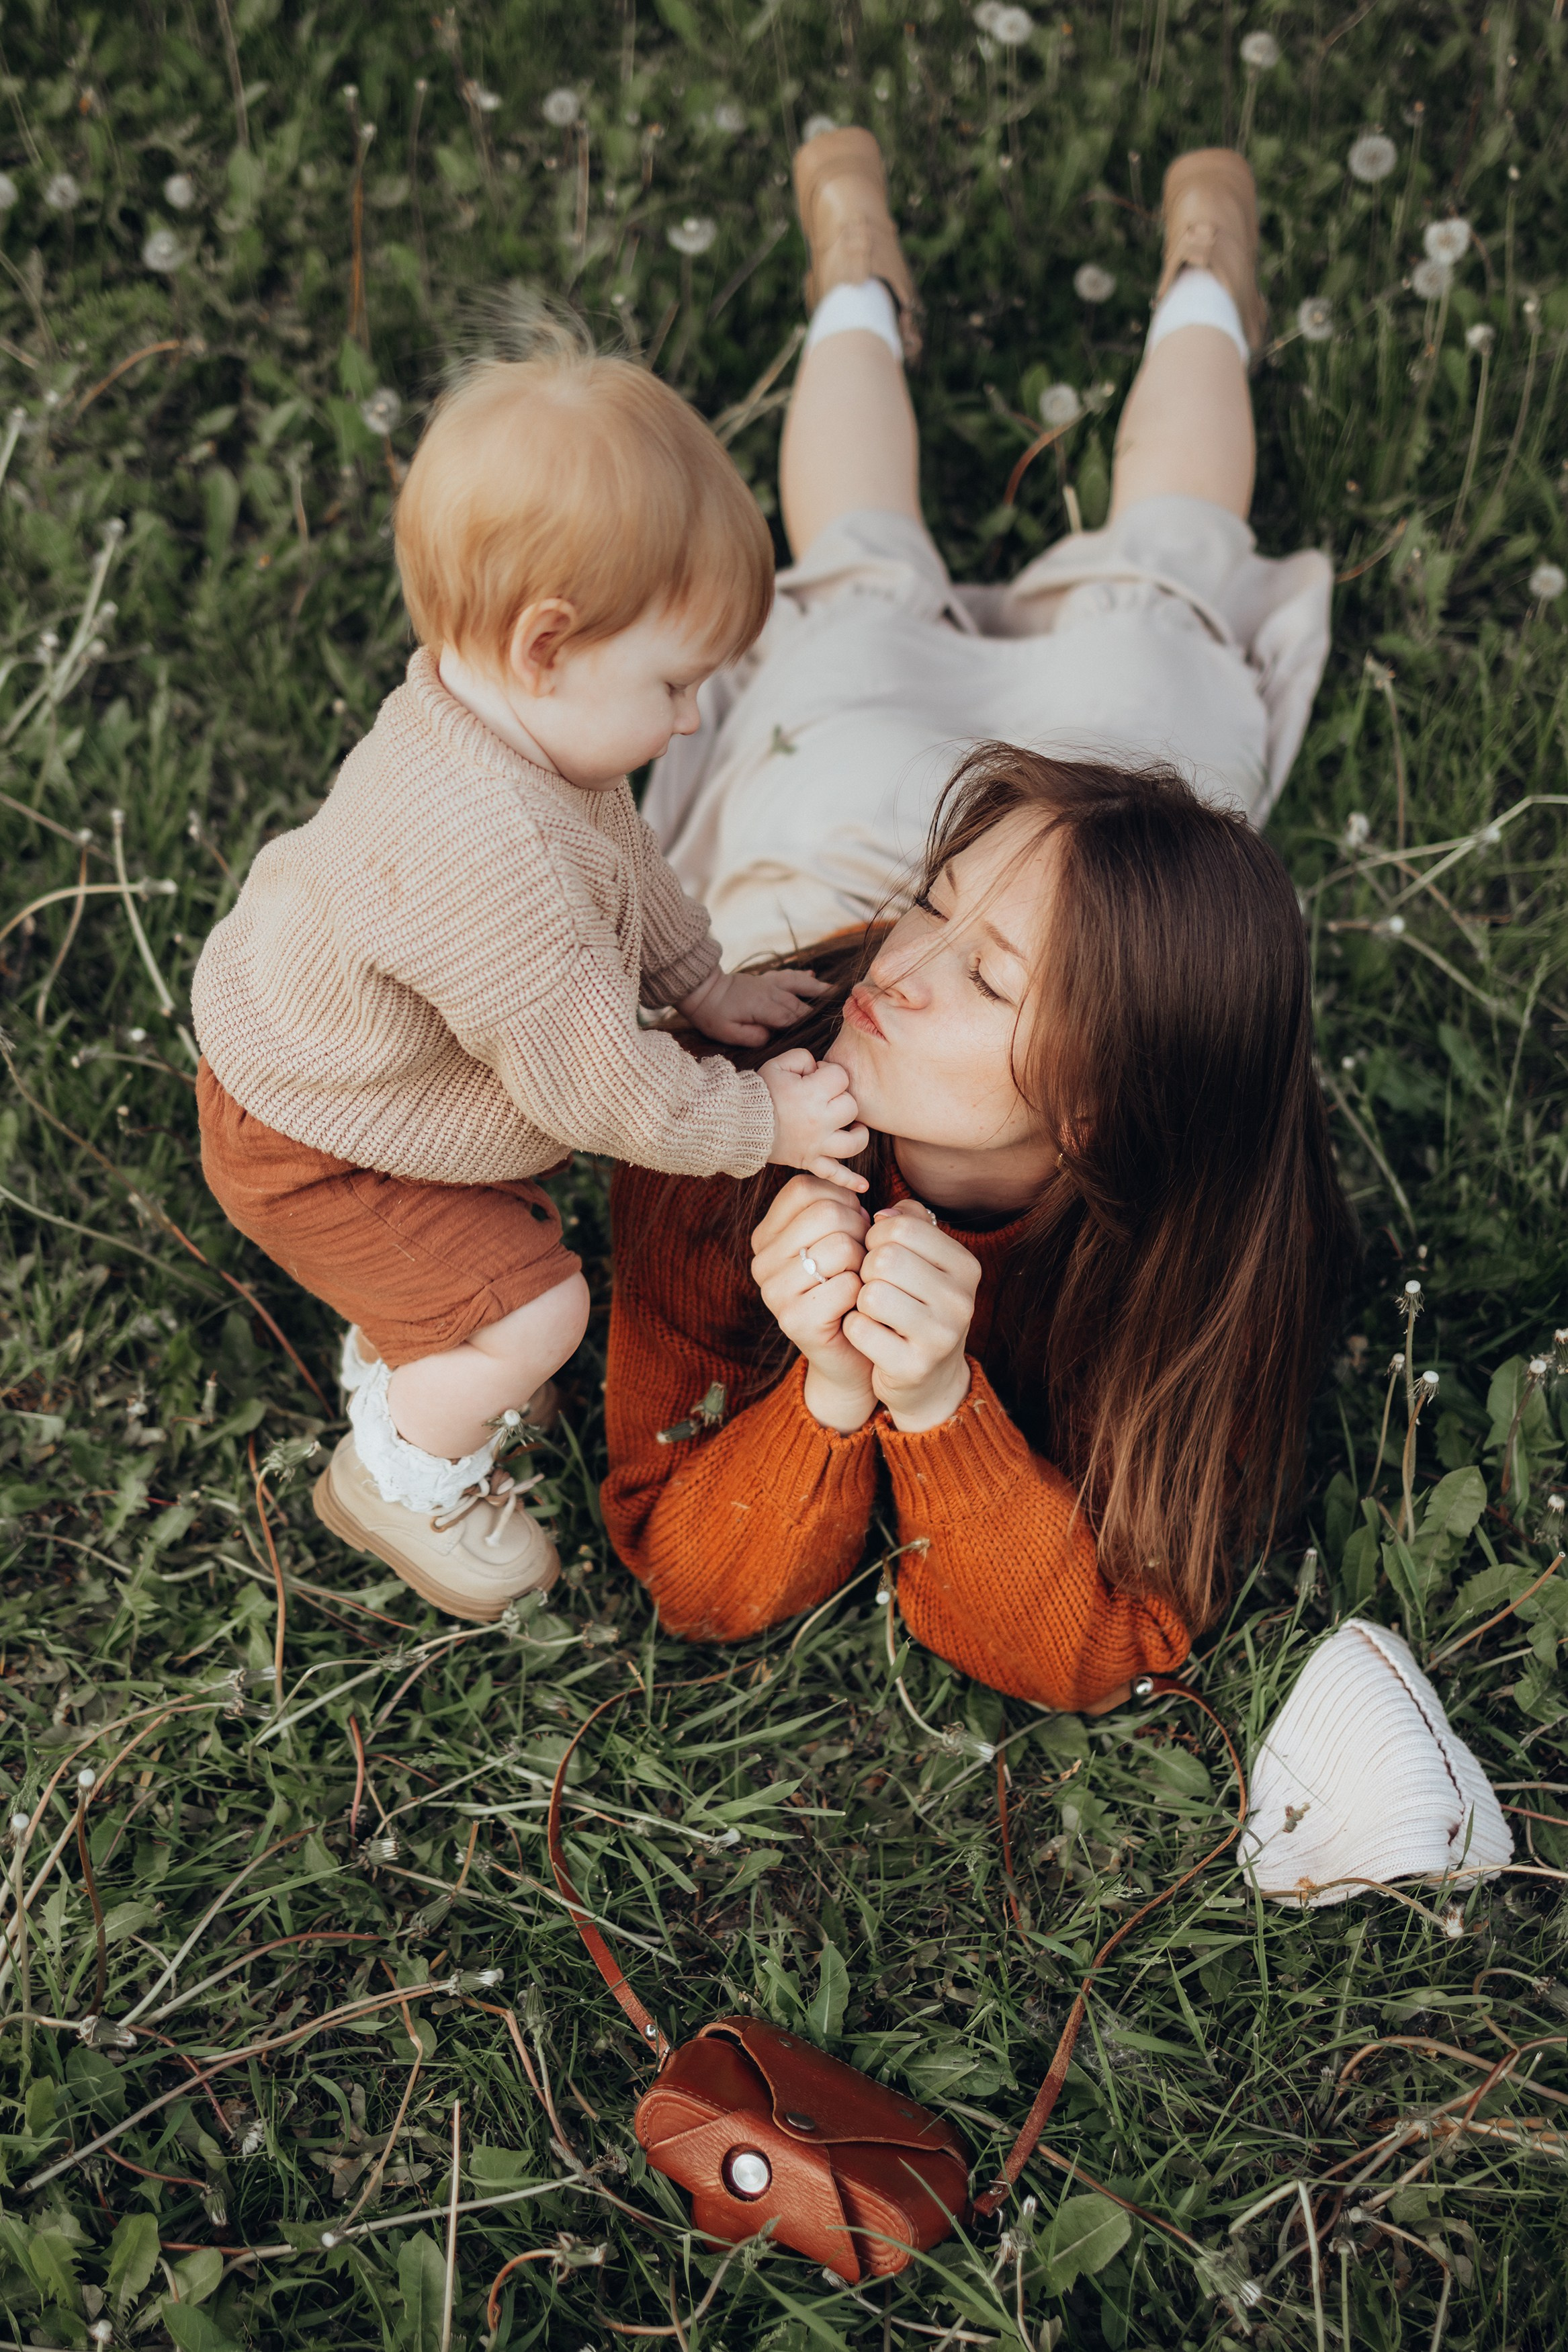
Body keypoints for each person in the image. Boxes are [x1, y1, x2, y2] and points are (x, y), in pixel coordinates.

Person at [599, 138, 1354, 1711]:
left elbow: (1107, 1648)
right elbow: (681, 1557)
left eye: (985, 981)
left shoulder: (1200, 1253)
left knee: (983, 581)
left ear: (1099, 1105)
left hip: (1053, 881)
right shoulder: (718, 1109)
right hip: (858, 846)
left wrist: (924, 1403)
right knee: (1109, 589)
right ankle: (864, 286)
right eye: (934, 925)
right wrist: (817, 1396)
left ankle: (1203, 267)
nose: (905, 971)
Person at [190, 352, 871, 1620]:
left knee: (500, 1271)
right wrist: (760, 1122)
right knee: (543, 1313)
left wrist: (699, 987)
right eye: (673, 686)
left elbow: (623, 857)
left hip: (333, 1066)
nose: (684, 722)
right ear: (545, 641)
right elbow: (604, 1092)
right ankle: (402, 1469)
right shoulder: (490, 870)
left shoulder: (508, 722)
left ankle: (430, 1330)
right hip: (314, 1143)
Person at [647, 138, 1334, 965]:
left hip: (1076, 897)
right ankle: (856, 270)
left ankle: (1205, 275)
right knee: (862, 563)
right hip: (839, 847)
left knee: (1164, 565)